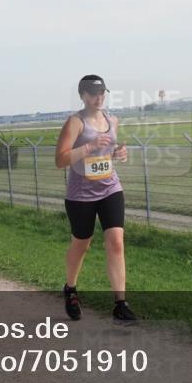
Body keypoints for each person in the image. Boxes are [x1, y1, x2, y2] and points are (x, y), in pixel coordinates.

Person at [55, 75, 136, 325]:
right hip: (81, 194)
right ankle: (70, 288)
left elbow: (108, 151)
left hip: (110, 187)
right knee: (82, 244)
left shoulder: (112, 120)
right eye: (92, 93)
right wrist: (88, 147)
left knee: (116, 242)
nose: (98, 97)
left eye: (101, 93)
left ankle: (120, 304)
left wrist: (119, 152)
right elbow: (60, 160)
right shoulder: (75, 123)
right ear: (83, 95)